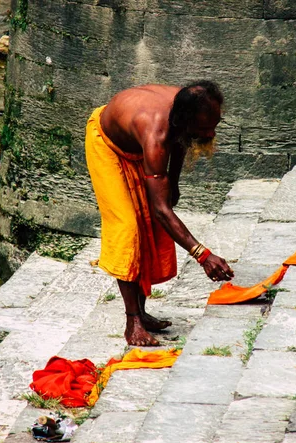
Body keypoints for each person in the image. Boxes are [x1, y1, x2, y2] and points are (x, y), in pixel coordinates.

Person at [85, 81, 235, 346]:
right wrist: (203, 255)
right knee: (128, 227)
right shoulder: (155, 133)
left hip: (138, 141)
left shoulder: (186, 106)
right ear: (187, 120)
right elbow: (161, 210)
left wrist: (172, 181)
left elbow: (179, 139)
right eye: (204, 128)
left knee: (151, 226)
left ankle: (142, 312)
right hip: (108, 145)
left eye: (215, 124)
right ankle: (133, 322)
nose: (210, 133)